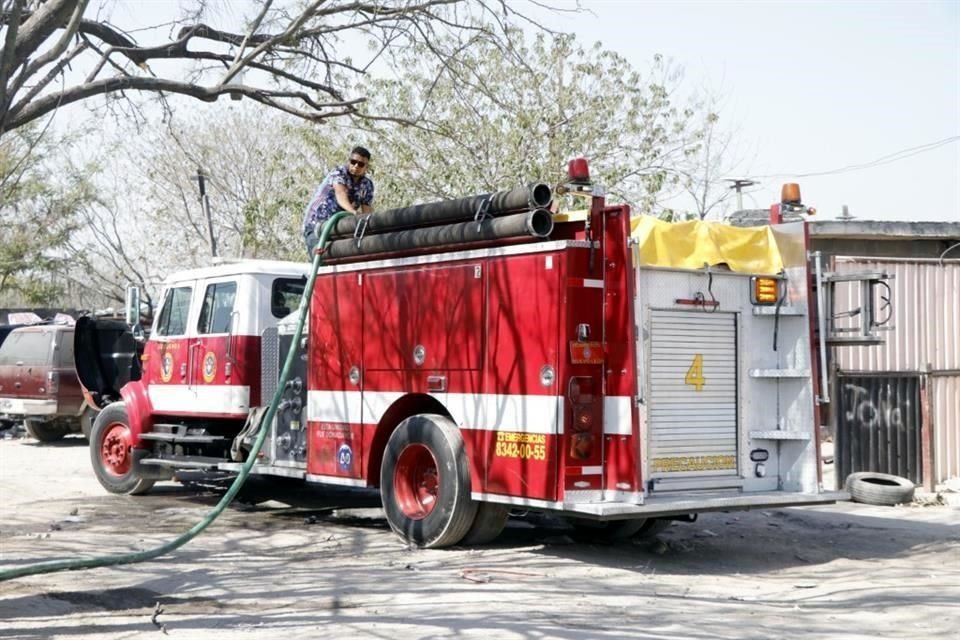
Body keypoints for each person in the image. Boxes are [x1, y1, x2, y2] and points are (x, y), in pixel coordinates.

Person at [302, 146, 375, 257]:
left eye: (361, 164)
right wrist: (354, 212)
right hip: (317, 224)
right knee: (319, 257)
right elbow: (341, 195)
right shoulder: (339, 173)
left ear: (366, 167)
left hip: (340, 227)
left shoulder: (367, 184)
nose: (356, 166)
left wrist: (368, 224)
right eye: (353, 162)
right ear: (348, 161)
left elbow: (367, 210)